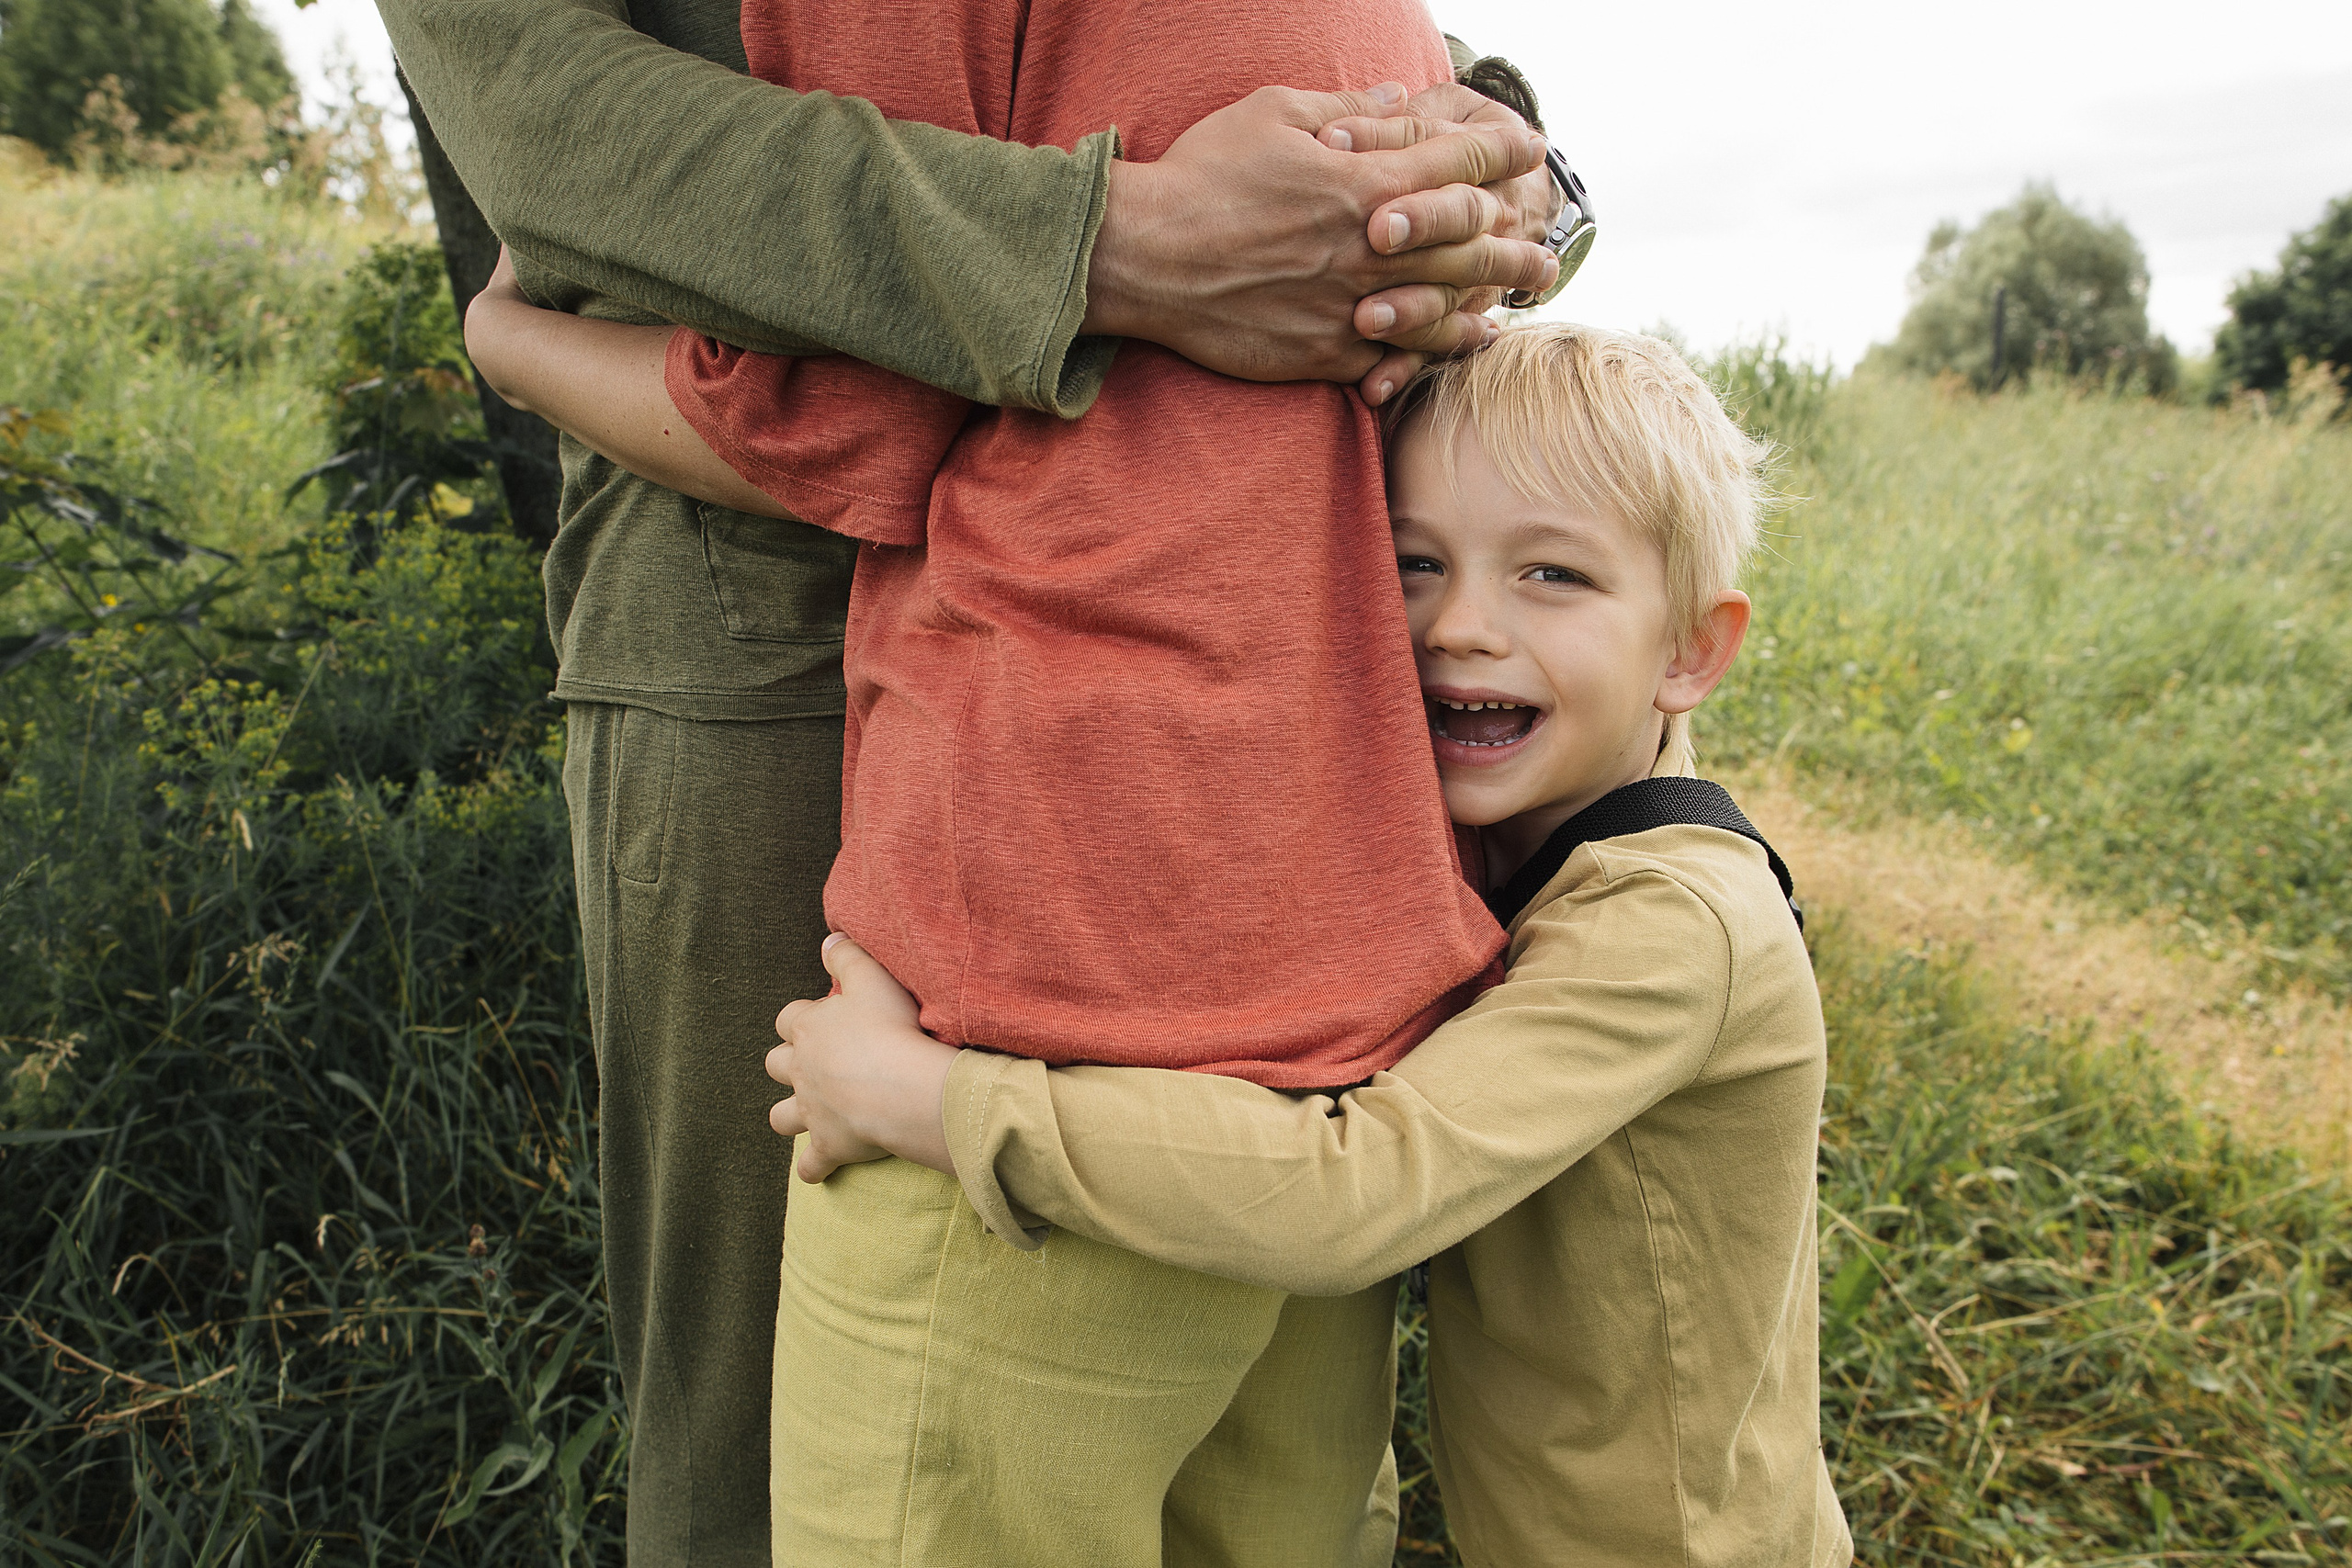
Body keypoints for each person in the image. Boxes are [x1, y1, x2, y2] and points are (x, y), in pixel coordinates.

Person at [380, 0, 1560, 1555]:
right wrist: (1119, 247)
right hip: (803, 632)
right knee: (791, 1425)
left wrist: (1494, 182)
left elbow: (1342, 120)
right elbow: (551, 120)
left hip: (1196, 686)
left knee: (998, 1460)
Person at [767, 325, 1858, 1568]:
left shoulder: (1676, 926)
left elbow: (1362, 1189)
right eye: (1412, 563)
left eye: (1553, 576)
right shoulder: (1502, 847)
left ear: (1692, 652)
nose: (1461, 625)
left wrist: (942, 1103)